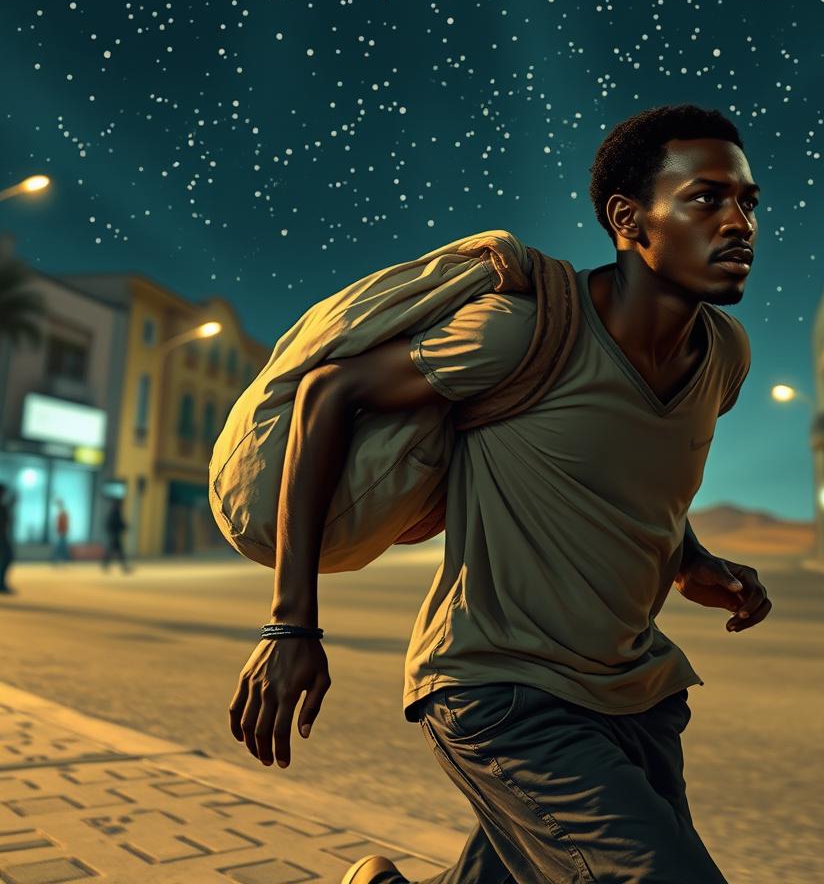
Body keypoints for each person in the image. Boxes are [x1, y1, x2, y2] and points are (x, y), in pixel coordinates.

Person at [230, 104, 772, 884]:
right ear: (630, 220)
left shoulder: (724, 354)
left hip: (637, 692)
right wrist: (291, 626)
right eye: (706, 198)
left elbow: (631, 472)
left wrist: (694, 561)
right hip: (504, 691)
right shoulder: (521, 333)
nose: (738, 223)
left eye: (747, 202)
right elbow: (330, 392)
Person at [102, 498, 132, 573]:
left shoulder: (113, 512)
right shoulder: (115, 513)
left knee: (114, 551)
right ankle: (124, 567)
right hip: (115, 535)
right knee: (118, 552)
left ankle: (106, 565)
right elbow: (118, 523)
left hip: (114, 535)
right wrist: (124, 526)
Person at [0, 483, 14, 594]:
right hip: (2, 538)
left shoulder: (3, 506)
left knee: (7, 559)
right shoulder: (2, 507)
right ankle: (1, 584)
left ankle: (1, 584)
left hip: (3, 537)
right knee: (6, 558)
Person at [52, 499, 70, 565]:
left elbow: (64, 523)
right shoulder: (61, 513)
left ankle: (58, 559)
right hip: (61, 532)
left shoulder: (63, 513)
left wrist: (62, 531)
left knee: (61, 547)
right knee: (61, 547)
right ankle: (61, 560)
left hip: (62, 532)